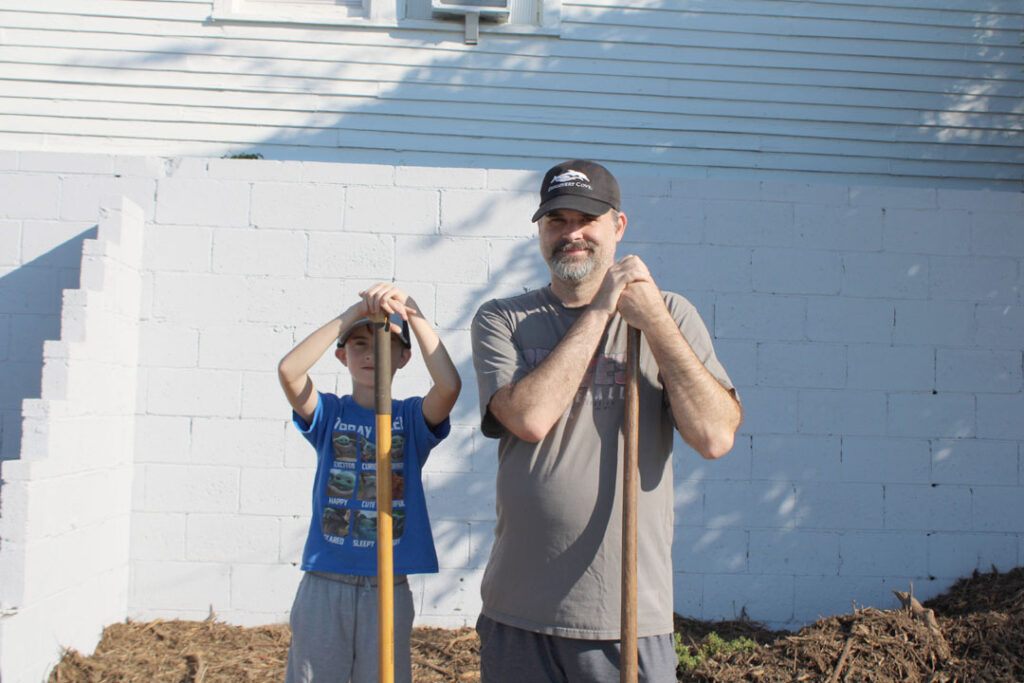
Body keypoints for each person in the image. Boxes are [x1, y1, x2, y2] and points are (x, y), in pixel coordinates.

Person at [470, 160, 742, 682]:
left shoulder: (670, 315)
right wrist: (600, 310)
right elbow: (529, 418)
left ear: (618, 226)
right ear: (540, 232)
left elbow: (714, 435)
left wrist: (654, 321)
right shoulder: (503, 318)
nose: (571, 233)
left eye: (586, 219)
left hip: (627, 617)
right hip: (518, 615)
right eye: (556, 221)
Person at [278, 282, 461, 683]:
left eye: (383, 342)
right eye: (358, 344)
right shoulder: (328, 414)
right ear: (342, 355)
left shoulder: (411, 419)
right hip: (326, 581)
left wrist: (411, 312)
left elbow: (449, 386)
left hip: (387, 585)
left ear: (403, 357)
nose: (369, 352)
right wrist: (353, 314)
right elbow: (290, 371)